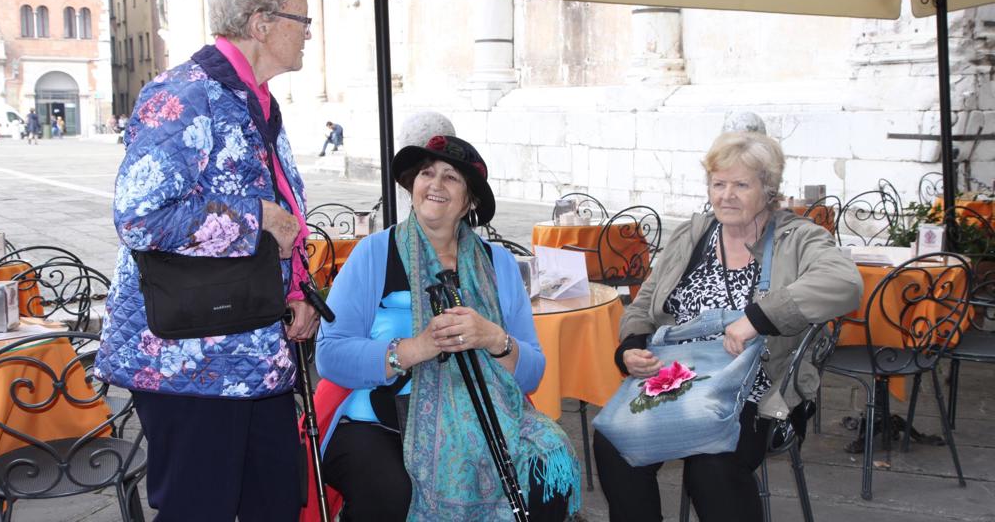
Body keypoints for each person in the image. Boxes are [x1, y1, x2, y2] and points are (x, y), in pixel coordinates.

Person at [94, 0, 320, 521]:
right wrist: (255, 219)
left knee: (275, 500)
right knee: (200, 509)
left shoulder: (256, 100)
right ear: (262, 22)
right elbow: (141, 217)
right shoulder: (185, 93)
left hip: (253, 350)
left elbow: (282, 211)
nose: (309, 33)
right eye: (303, 19)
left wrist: (294, 289)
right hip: (187, 360)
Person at [593, 131, 863, 522]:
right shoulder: (692, 236)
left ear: (768, 190)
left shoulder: (796, 237)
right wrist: (631, 346)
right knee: (613, 442)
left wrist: (756, 318)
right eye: (718, 184)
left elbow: (845, 284)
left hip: (756, 390)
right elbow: (644, 305)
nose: (726, 195)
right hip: (678, 379)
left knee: (712, 466)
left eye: (741, 184)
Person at [316, 135, 582, 521]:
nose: (435, 184)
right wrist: (416, 348)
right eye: (426, 173)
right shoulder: (375, 253)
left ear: (470, 201)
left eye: (451, 177)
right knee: (391, 492)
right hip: (380, 418)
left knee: (546, 467)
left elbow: (532, 373)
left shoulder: (500, 263)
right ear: (413, 186)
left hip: (484, 411)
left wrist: (494, 339)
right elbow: (330, 355)